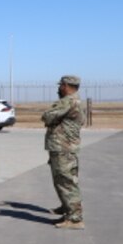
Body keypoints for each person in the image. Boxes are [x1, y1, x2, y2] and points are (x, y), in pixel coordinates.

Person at [43, 75, 84, 229]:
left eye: (61, 85)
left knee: (66, 182)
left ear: (66, 85)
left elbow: (47, 116)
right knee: (63, 181)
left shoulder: (68, 101)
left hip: (63, 148)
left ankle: (75, 219)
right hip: (64, 147)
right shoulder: (76, 100)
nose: (59, 88)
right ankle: (68, 209)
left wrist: (49, 116)